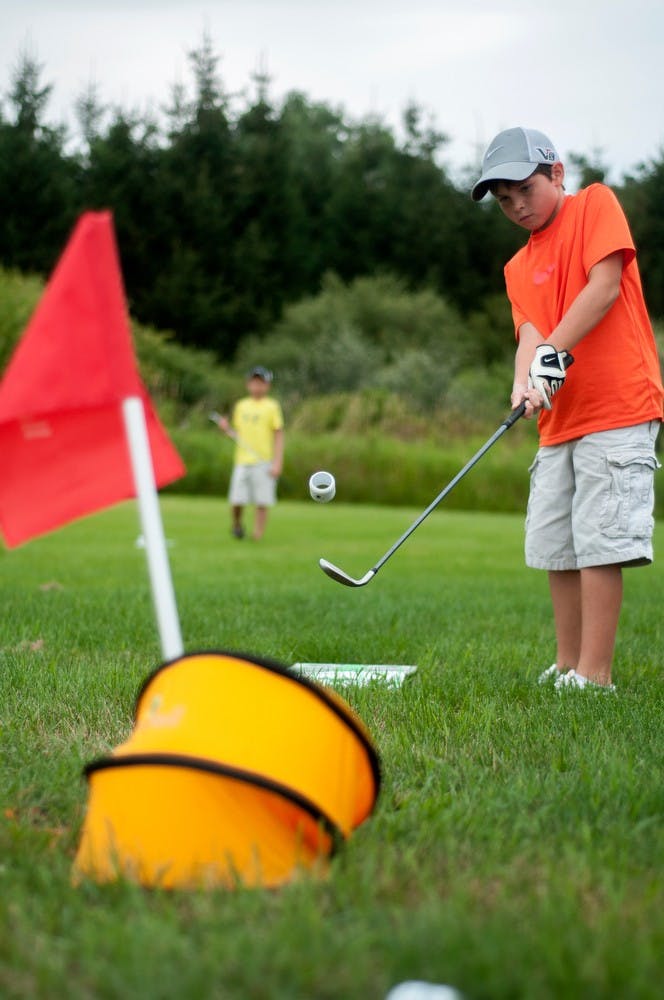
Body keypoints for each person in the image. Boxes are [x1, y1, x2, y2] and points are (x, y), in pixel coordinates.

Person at [471, 127, 663, 691]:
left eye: (525, 189)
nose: (517, 207)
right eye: (504, 201)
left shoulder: (595, 206)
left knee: (600, 540)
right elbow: (529, 336)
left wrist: (549, 361)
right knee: (558, 543)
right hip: (559, 420)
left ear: (556, 173)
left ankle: (594, 675)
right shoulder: (516, 267)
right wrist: (521, 383)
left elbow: (603, 287)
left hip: (618, 404)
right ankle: (566, 664)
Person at [215, 366, 284, 541]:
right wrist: (225, 429)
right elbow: (235, 433)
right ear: (248, 384)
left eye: (261, 383)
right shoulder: (241, 406)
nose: (257, 386)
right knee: (237, 500)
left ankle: (257, 535)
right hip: (242, 460)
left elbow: (278, 434)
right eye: (254, 382)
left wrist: (277, 462)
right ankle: (237, 525)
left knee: (262, 501)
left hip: (264, 460)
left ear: (267, 385)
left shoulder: (272, 407)